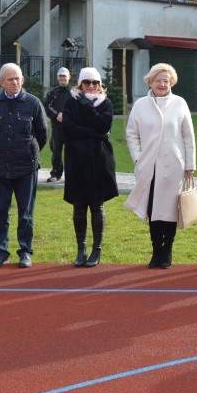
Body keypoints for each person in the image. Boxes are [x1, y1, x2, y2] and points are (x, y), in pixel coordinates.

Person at [124, 63, 197, 269]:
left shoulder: (180, 103)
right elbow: (132, 134)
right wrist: (138, 157)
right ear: (150, 81)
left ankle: (168, 250)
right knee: (153, 210)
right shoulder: (140, 105)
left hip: (174, 166)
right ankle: (156, 249)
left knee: (170, 211)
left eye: (166, 80)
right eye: (158, 80)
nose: (162, 84)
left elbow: (188, 135)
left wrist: (190, 163)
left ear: (171, 82)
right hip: (149, 167)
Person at [0, 63, 48, 268]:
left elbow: (42, 134)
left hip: (26, 167)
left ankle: (25, 252)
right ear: (1, 81)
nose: (14, 82)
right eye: (10, 79)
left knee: (26, 212)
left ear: (22, 80)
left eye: (17, 78)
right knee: (0, 211)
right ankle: (1, 252)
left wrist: (29, 151)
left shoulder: (33, 103)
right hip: (0, 165)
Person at [62, 67, 118, 267]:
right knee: (79, 205)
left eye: (95, 83)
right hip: (76, 160)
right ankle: (81, 249)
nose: (91, 86)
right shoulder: (70, 102)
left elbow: (104, 125)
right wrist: (95, 133)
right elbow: (68, 128)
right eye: (87, 82)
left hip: (99, 160)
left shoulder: (106, 104)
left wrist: (88, 108)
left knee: (96, 204)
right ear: (80, 83)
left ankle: (96, 249)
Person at [44, 67, 72, 182]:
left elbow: (78, 107)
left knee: (71, 151)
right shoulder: (52, 92)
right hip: (57, 127)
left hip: (71, 127)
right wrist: (56, 115)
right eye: (60, 76)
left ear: (69, 77)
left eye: (64, 76)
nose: (62, 78)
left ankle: (72, 175)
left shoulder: (74, 92)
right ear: (57, 77)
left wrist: (66, 115)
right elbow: (46, 106)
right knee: (56, 150)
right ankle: (56, 173)